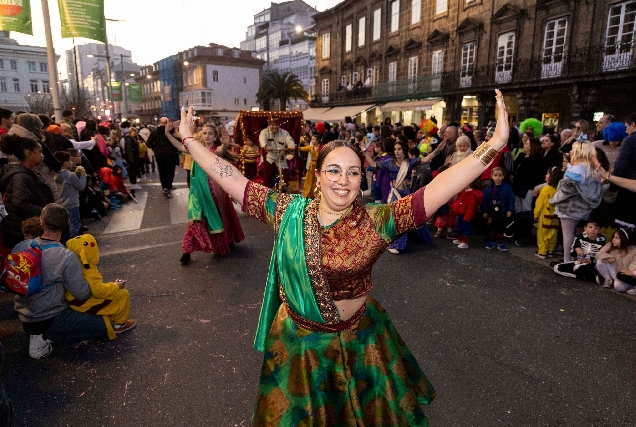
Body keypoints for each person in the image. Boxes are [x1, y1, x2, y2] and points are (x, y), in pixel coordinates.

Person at [175, 89, 510, 426]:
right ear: (318, 177)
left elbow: (441, 189)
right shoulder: (288, 211)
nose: (343, 180)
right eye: (333, 170)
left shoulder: (377, 222)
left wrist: (494, 144)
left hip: (360, 342)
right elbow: (232, 177)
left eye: (353, 172)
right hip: (301, 346)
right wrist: (190, 142)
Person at [12, 204, 117, 359]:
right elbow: (82, 293)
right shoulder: (65, 256)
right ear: (68, 222)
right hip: (52, 317)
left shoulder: (21, 246)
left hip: (24, 314)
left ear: (41, 222)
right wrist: (97, 283)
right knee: (107, 325)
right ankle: (46, 337)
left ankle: (39, 334)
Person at [164, 124, 245, 264]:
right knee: (195, 219)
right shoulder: (196, 150)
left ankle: (228, 240)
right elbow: (179, 147)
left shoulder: (215, 150)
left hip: (215, 192)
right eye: (205, 133)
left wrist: (226, 144)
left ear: (215, 137)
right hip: (197, 192)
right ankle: (187, 251)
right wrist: (168, 135)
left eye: (210, 133)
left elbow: (222, 149)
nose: (207, 136)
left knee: (221, 217)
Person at [65, 234, 135, 340]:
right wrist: (116, 285)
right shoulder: (88, 268)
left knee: (111, 291)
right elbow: (99, 292)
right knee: (122, 294)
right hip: (82, 303)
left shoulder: (72, 262)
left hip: (72, 299)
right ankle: (120, 324)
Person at [0, 135, 55, 254]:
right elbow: (20, 203)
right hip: (20, 233)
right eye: (39, 152)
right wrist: (48, 212)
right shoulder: (21, 176)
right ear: (29, 153)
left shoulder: (25, 173)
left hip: (20, 231)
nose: (43, 155)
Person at [549, 142, 602, 262]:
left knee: (567, 234)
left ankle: (567, 260)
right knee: (572, 233)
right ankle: (573, 258)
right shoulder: (590, 169)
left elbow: (566, 188)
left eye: (573, 150)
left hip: (569, 207)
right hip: (580, 207)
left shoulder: (576, 169)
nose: (570, 152)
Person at [53, 151, 87, 243]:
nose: (71, 163)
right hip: (72, 204)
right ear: (65, 163)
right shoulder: (70, 175)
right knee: (75, 225)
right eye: (69, 161)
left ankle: (65, 242)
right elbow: (81, 186)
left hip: (59, 204)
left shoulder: (54, 175)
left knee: (64, 227)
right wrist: (83, 175)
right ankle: (72, 244)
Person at [533, 166, 563, 258]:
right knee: (553, 233)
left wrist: (536, 214)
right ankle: (550, 250)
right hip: (556, 216)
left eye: (548, 174)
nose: (546, 175)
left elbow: (539, 204)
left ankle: (542, 251)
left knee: (543, 234)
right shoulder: (559, 189)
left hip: (545, 215)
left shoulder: (546, 189)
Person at [258, 117, 296, 189]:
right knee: (267, 175)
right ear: (269, 125)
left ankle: (282, 192)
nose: (274, 127)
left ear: (279, 125)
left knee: (285, 176)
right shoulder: (264, 132)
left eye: (276, 125)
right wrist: (265, 146)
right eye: (272, 125)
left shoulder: (284, 133)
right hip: (269, 158)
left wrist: (291, 145)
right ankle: (266, 192)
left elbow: (289, 139)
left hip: (281, 159)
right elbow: (262, 139)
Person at [147, 117, 180, 198]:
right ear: (167, 123)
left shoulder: (154, 132)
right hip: (170, 153)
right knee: (170, 170)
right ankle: (168, 186)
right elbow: (177, 141)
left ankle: (164, 187)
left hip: (159, 154)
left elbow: (149, 143)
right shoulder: (169, 131)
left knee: (162, 171)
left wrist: (155, 148)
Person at [483, 167, 515, 250]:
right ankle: (491, 242)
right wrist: (485, 211)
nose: (498, 177)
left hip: (503, 211)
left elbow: (511, 199)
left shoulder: (507, 187)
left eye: (500, 175)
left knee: (501, 227)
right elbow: (485, 200)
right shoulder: (488, 188)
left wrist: (510, 210)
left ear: (503, 176)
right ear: (492, 176)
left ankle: (500, 243)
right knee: (491, 226)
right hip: (491, 211)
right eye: (495, 175)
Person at [595, 228, 636, 293]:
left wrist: (630, 271)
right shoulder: (610, 245)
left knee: (619, 287)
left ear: (624, 239)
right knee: (600, 261)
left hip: (624, 275)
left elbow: (634, 263)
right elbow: (599, 254)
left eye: (617, 238)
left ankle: (631, 285)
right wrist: (607, 257)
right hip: (615, 270)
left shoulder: (633, 250)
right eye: (614, 237)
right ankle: (608, 279)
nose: (613, 240)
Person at [450, 178, 483, 249]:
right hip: (461, 213)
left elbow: (471, 206)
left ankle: (465, 241)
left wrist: (468, 215)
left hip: (466, 214)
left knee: (466, 228)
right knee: (459, 226)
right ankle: (460, 238)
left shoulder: (471, 194)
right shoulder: (463, 192)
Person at [298, 134, 321, 198]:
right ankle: (308, 194)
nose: (312, 140)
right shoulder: (311, 147)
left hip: (318, 166)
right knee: (309, 180)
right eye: (311, 139)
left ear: (317, 140)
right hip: (311, 167)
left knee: (316, 180)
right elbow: (301, 149)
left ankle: (316, 194)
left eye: (313, 139)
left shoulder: (321, 148)